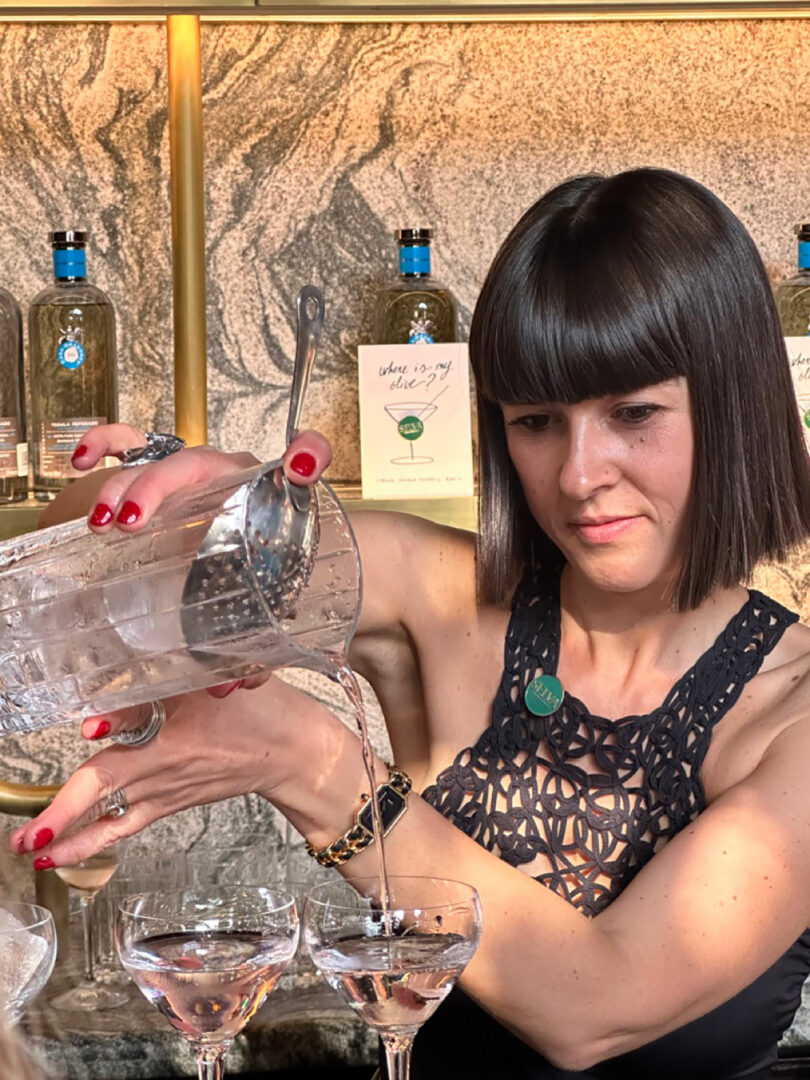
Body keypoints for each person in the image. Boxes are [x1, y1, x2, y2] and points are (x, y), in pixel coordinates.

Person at [10, 167, 810, 1079]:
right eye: (539, 421)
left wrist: (318, 771)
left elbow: (597, 1005)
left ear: (738, 404)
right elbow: (83, 562)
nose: (582, 473)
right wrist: (201, 505)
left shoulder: (794, 713)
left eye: (634, 414)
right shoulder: (443, 598)